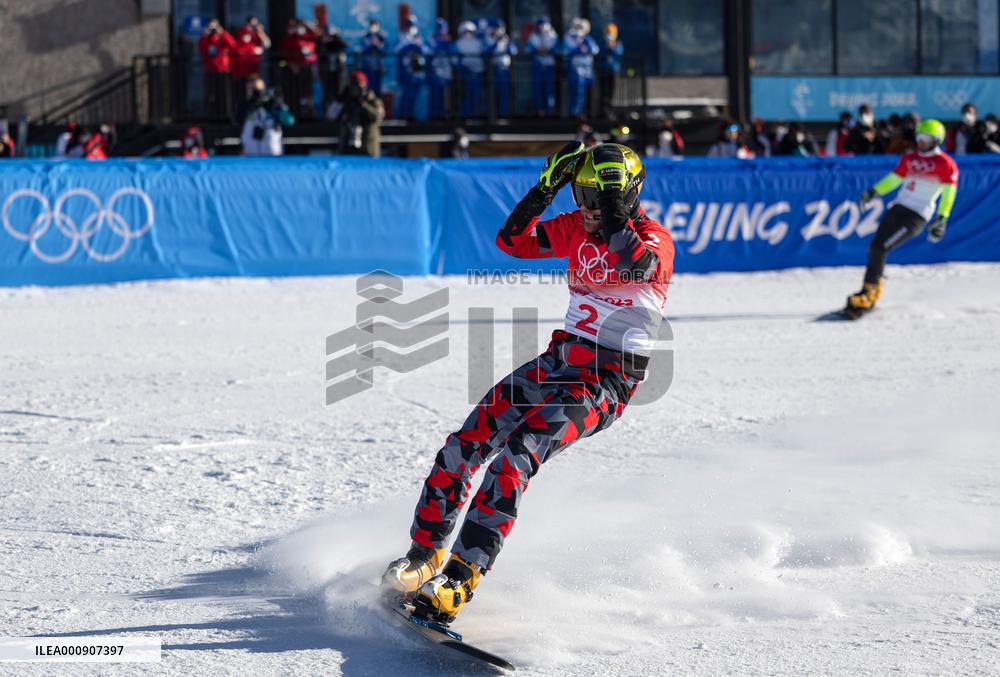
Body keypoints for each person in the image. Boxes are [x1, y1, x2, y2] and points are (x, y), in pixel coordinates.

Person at [381, 141, 674, 624]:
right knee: (463, 445)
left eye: (597, 200)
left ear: (626, 199)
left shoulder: (652, 239)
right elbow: (512, 242)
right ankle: (423, 557)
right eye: (580, 196)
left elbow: (635, 266)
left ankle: (460, 579)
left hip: (607, 380)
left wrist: (615, 214)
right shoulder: (576, 227)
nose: (587, 209)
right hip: (558, 361)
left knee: (518, 456)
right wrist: (544, 191)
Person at [844, 119, 958, 317]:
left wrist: (942, 218)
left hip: (917, 216)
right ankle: (871, 289)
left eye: (926, 138)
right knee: (875, 246)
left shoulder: (945, 164)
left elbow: (949, 193)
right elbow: (894, 179)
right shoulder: (910, 158)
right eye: (919, 138)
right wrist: (873, 192)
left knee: (881, 248)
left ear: (937, 140)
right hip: (898, 208)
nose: (921, 142)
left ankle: (869, 292)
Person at [329, 71, 384, 157]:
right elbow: (331, 115)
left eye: (361, 85)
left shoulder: (372, 98)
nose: (358, 89)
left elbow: (378, 117)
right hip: (347, 150)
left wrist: (364, 105)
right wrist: (340, 100)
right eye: (355, 86)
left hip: (369, 150)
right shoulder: (344, 99)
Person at [239, 77, 294, 156]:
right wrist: (252, 105)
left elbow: (289, 121)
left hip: (271, 153)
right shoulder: (246, 106)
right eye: (251, 88)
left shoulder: (274, 104)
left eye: (256, 89)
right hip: (250, 154)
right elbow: (239, 122)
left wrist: (274, 109)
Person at [198, 19, 237, 116]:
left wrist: (222, 33)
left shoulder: (222, 37)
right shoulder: (206, 38)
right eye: (211, 27)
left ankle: (225, 113)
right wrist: (205, 35)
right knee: (210, 93)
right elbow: (202, 49)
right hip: (210, 69)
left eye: (214, 27)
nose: (213, 30)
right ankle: (210, 113)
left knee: (223, 92)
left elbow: (232, 45)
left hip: (222, 69)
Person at [563, 18, 599, 117]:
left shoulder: (587, 39)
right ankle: (575, 112)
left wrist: (586, 48)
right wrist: (578, 50)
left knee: (589, 91)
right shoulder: (570, 38)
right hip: (576, 69)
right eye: (578, 27)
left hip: (587, 69)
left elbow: (595, 50)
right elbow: (566, 51)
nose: (580, 30)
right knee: (577, 91)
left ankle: (588, 111)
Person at [395, 16, 429, 120]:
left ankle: (411, 115)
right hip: (406, 70)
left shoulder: (418, 38)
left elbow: (426, 51)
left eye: (412, 26)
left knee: (415, 95)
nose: (411, 28)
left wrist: (418, 44)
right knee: (406, 95)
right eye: (409, 26)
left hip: (417, 70)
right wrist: (410, 45)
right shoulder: (401, 37)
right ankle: (404, 115)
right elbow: (397, 50)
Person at [526, 17, 559, 116]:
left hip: (549, 66)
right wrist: (537, 51)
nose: (542, 28)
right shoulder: (533, 36)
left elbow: (558, 49)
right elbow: (527, 49)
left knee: (549, 89)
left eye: (545, 25)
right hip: (537, 65)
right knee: (537, 89)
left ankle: (549, 112)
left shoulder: (553, 36)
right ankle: (539, 111)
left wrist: (549, 50)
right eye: (541, 25)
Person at [486, 19, 517, 117]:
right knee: (493, 93)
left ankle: (504, 114)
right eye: (496, 28)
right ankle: (493, 115)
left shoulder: (506, 38)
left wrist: (505, 42)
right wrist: (496, 42)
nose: (498, 30)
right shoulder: (489, 38)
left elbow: (513, 51)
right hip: (493, 69)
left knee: (504, 93)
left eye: (500, 28)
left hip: (504, 69)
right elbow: (488, 51)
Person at [454, 21, 484, 117]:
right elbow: (455, 60)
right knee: (465, 95)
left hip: (477, 73)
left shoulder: (478, 43)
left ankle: (476, 115)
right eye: (466, 31)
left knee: (477, 96)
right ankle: (466, 116)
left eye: (470, 32)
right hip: (465, 73)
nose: (468, 34)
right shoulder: (458, 43)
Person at [428, 19, 454, 119]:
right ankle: (434, 115)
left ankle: (445, 115)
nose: (441, 31)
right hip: (435, 70)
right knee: (435, 94)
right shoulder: (432, 39)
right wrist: (440, 44)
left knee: (445, 95)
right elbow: (429, 51)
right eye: (439, 29)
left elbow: (452, 51)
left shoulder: (448, 40)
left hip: (446, 71)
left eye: (442, 29)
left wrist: (445, 43)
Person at [359, 19, 388, 96]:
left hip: (378, 67)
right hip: (367, 67)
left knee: (377, 89)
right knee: (368, 88)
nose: (373, 28)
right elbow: (362, 50)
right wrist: (370, 45)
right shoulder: (366, 37)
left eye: (375, 26)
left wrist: (378, 45)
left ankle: (377, 105)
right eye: (372, 26)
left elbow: (384, 51)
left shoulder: (381, 38)